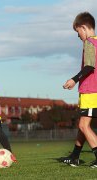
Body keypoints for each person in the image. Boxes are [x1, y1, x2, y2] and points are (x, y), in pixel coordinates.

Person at [61, 12, 97, 168]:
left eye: (78, 32)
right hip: (90, 91)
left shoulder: (89, 42)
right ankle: (75, 156)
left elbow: (89, 66)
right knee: (83, 125)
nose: (78, 36)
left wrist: (74, 80)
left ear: (84, 27)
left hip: (91, 92)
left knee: (83, 125)